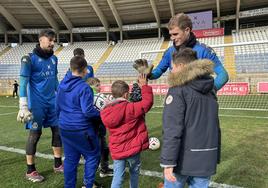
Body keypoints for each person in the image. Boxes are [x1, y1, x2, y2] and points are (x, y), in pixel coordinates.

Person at [160, 48, 220, 188]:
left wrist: (168, 162)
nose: (171, 71)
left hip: (183, 159)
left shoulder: (178, 89)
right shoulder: (210, 89)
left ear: (180, 66)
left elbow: (172, 129)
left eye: (172, 67)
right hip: (206, 157)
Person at [17, 29, 63, 182]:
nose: (52, 43)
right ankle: (31, 170)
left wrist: (62, 96)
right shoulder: (28, 59)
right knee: (35, 135)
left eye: (53, 40)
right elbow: (23, 84)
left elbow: (55, 80)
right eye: (50, 40)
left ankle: (58, 164)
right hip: (36, 104)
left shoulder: (54, 59)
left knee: (58, 131)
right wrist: (23, 105)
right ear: (41, 40)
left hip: (53, 103)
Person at [149, 13, 228, 91]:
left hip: (197, 102)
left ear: (187, 30)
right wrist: (149, 74)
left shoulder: (204, 51)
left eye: (175, 34)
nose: (172, 38)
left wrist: (210, 91)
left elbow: (223, 75)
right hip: (177, 99)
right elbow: (159, 70)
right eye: (171, 35)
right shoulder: (170, 51)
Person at [100, 75, 154, 188]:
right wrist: (144, 86)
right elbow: (147, 103)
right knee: (134, 173)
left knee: (118, 177)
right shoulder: (130, 108)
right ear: (125, 94)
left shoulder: (106, 111)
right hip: (133, 149)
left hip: (117, 150)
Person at [56, 56, 101, 188]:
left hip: (64, 128)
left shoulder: (61, 84)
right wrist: (102, 114)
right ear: (85, 69)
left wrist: (63, 122)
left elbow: (57, 107)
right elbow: (87, 111)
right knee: (93, 156)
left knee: (70, 159)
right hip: (81, 129)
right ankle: (88, 184)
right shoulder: (84, 87)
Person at [86, 77, 114, 178]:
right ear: (90, 87)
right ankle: (90, 178)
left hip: (100, 129)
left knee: (104, 149)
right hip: (94, 130)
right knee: (96, 153)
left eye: (99, 85)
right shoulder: (89, 98)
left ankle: (104, 169)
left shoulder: (99, 96)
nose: (100, 87)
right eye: (97, 85)